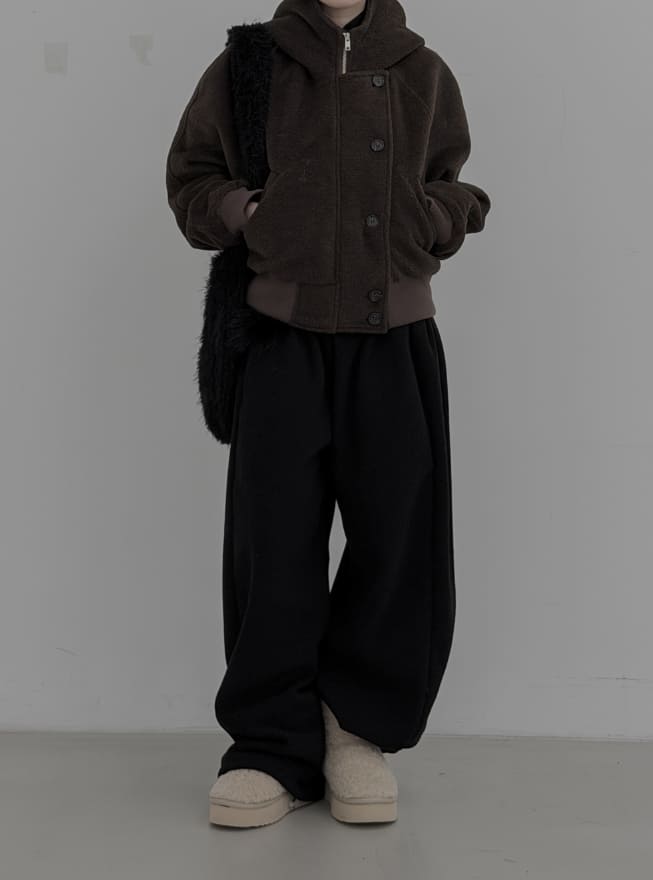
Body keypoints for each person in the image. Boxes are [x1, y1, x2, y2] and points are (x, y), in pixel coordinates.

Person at [165, 0, 490, 828]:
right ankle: (271, 746)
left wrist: (431, 218)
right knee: (273, 543)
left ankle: (356, 732)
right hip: (280, 339)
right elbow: (192, 179)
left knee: (397, 541)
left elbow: (455, 186)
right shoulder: (248, 65)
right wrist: (251, 213)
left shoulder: (420, 68)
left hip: (396, 341)